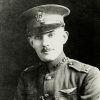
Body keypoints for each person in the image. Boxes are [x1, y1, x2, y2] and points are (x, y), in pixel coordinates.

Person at [14, 4, 100, 100]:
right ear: (31, 42)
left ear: (64, 37)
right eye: (38, 37)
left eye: (51, 35)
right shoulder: (26, 77)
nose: (45, 43)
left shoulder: (88, 75)